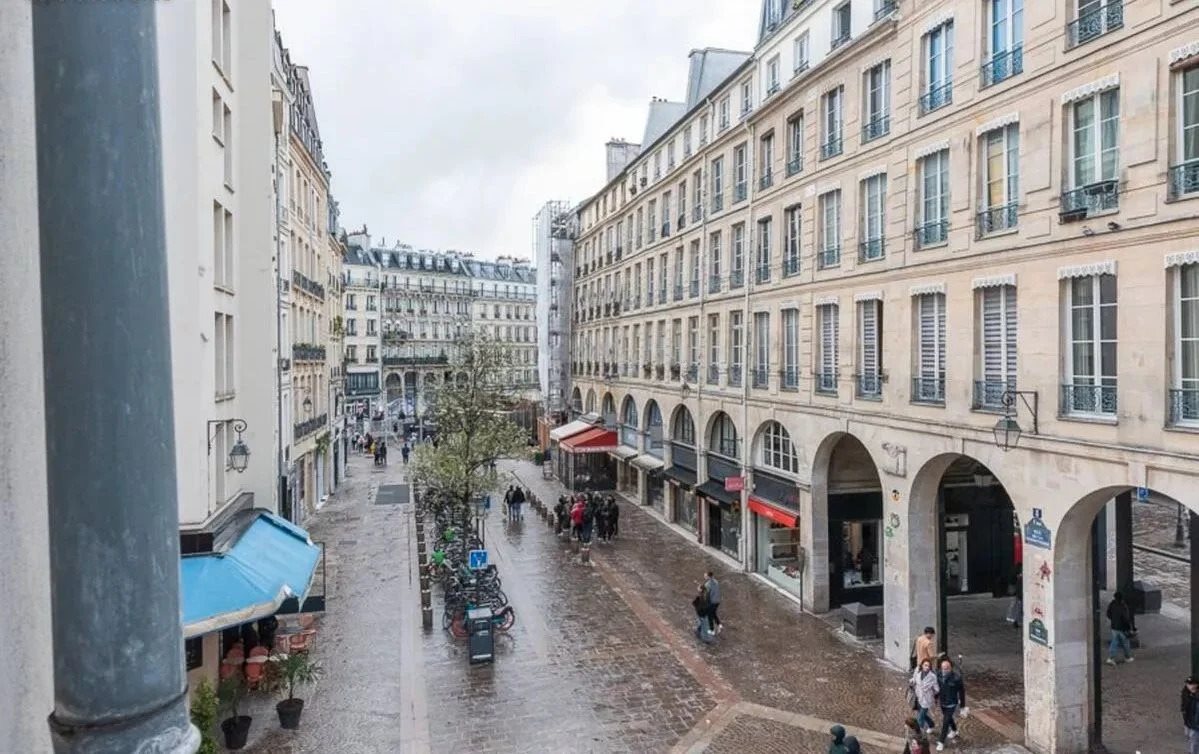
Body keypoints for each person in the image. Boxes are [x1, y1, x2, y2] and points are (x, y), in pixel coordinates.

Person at [935, 657, 967, 751]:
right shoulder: (938, 674)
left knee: (945, 722)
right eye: (943, 668)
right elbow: (936, 687)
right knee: (948, 718)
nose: (944, 670)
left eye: (947, 668)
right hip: (943, 702)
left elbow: (962, 692)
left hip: (952, 703)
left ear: (951, 668)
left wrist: (962, 706)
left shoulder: (957, 678)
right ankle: (954, 730)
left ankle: (941, 742)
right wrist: (936, 698)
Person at [909, 658, 939, 734]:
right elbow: (914, 680)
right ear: (922, 665)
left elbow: (937, 689)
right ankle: (931, 724)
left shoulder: (932, 676)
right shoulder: (918, 673)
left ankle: (919, 735)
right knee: (922, 714)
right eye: (925, 665)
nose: (927, 667)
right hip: (918, 697)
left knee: (920, 718)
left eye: (928, 666)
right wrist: (912, 682)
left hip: (927, 699)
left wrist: (932, 689)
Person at [1105, 592, 1135, 665]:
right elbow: (1126, 618)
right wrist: (1130, 628)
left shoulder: (1112, 604)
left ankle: (1111, 658)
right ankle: (1127, 657)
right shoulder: (1123, 606)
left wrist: (1113, 619)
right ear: (1122, 598)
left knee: (1114, 642)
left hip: (1114, 626)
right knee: (1125, 643)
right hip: (1122, 628)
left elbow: (1108, 614)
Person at [1182, 675, 1199, 754]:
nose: (1190, 686)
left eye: (1192, 684)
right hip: (1189, 722)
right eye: (1188, 684)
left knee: (1194, 741)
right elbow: (1184, 705)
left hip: (1196, 725)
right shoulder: (1186, 692)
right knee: (1190, 738)